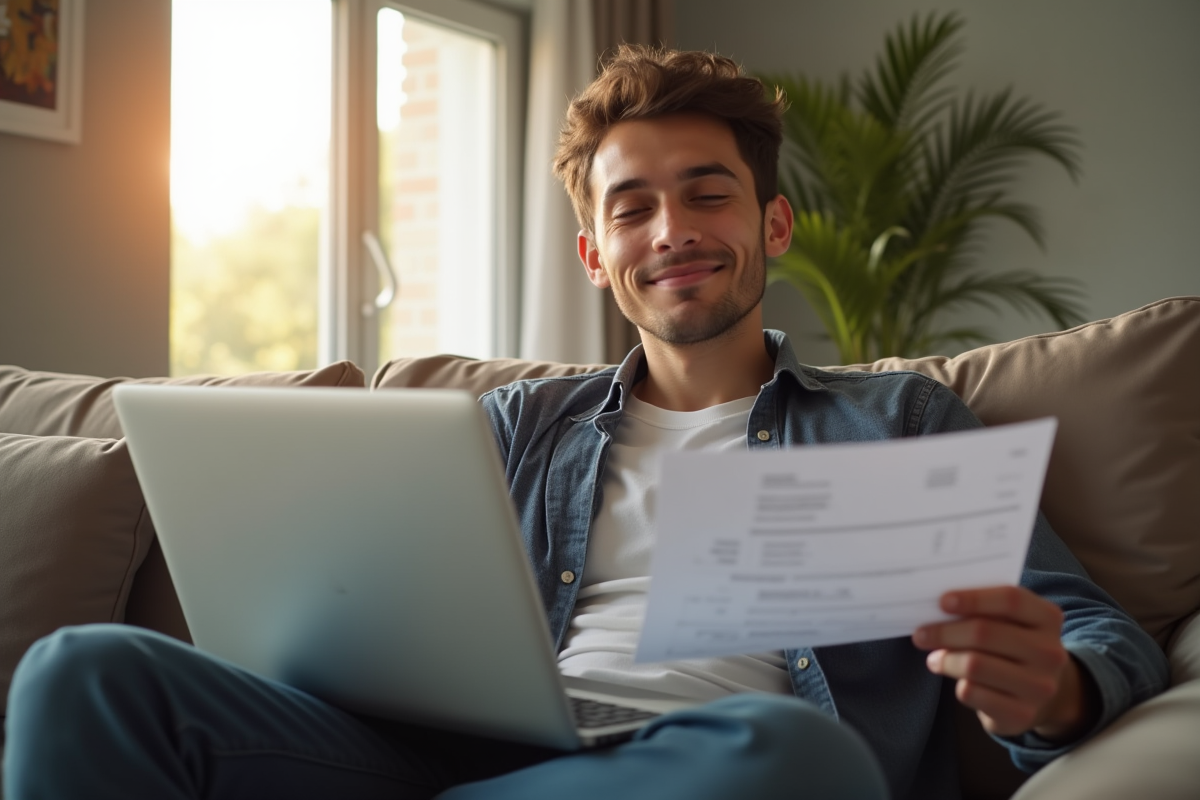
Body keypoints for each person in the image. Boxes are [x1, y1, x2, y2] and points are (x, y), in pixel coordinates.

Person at [3, 46, 1166, 800]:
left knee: (797, 757)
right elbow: (373, 626)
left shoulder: (896, 417)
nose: (673, 229)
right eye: (634, 206)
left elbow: (1097, 631)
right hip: (444, 759)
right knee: (79, 669)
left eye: (708, 192)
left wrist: (1055, 689)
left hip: (704, 765)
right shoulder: (516, 423)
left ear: (773, 226)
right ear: (596, 254)